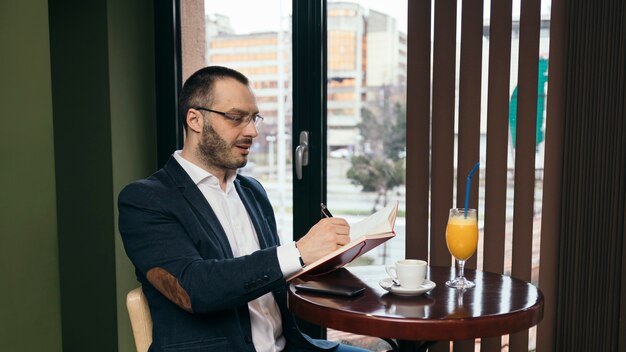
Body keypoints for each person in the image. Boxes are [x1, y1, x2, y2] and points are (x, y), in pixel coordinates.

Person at [118, 66, 371, 352]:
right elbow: (195, 289)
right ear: (195, 119)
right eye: (237, 118)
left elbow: (268, 275)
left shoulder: (252, 192)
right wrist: (299, 251)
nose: (252, 131)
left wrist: (325, 258)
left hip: (290, 346)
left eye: (253, 119)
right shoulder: (145, 200)